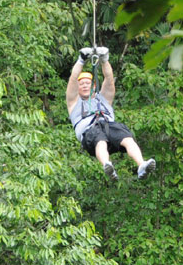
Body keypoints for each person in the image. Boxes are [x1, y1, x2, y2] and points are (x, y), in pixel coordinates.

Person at [66, 46, 155, 180]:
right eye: (81, 84)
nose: (84, 85)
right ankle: (107, 165)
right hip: (90, 131)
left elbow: (109, 79)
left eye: (87, 83)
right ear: (78, 88)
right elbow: (73, 80)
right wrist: (81, 61)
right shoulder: (74, 103)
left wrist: (104, 60)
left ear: (93, 86)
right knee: (100, 141)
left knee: (128, 139)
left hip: (109, 126)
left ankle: (141, 165)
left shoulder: (103, 98)